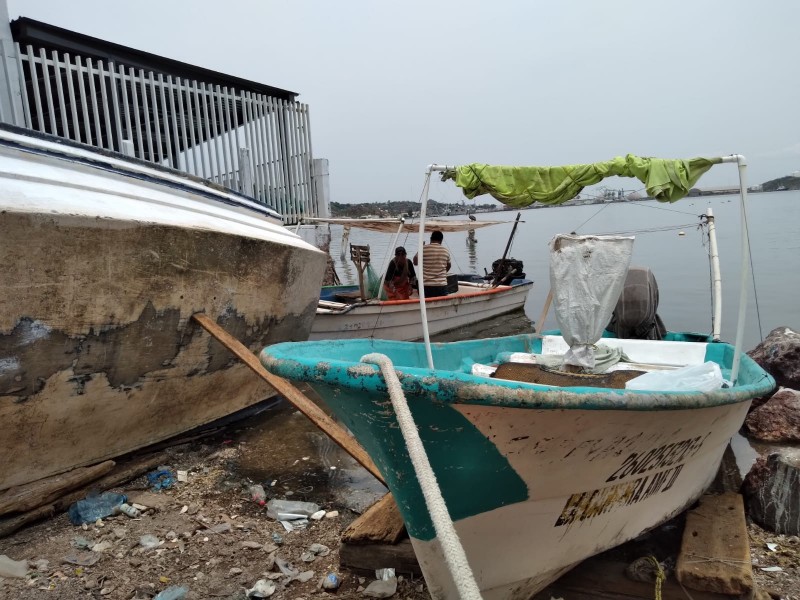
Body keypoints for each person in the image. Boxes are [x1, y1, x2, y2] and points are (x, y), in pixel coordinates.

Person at [413, 230, 451, 298]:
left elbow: (415, 262)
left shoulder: (424, 249)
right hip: (441, 285)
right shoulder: (446, 251)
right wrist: (442, 273)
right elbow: (449, 265)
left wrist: (420, 248)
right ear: (441, 240)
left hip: (426, 286)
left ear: (431, 239)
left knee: (427, 305)